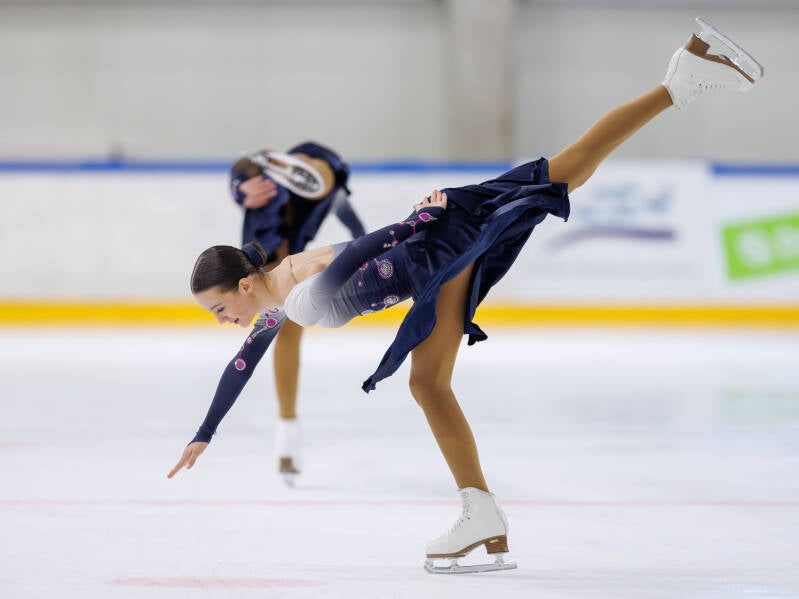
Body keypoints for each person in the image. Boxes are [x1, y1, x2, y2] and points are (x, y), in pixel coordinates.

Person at [169, 20, 763, 573]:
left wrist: (413, 223)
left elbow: (355, 257)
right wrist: (205, 433)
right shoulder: (287, 279)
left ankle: (481, 512)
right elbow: (243, 364)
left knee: (430, 381)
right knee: (564, 173)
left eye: (221, 309)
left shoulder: (297, 301)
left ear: (244, 284)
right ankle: (681, 77)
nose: (226, 323)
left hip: (434, 251)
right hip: (433, 249)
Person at [229, 142, 366, 483]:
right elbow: (345, 210)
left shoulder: (274, 190)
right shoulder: (285, 190)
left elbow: (242, 176)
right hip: (284, 232)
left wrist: (239, 187)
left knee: (284, 326)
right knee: (286, 326)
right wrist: (239, 187)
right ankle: (287, 431)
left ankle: (287, 431)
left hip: (280, 237)